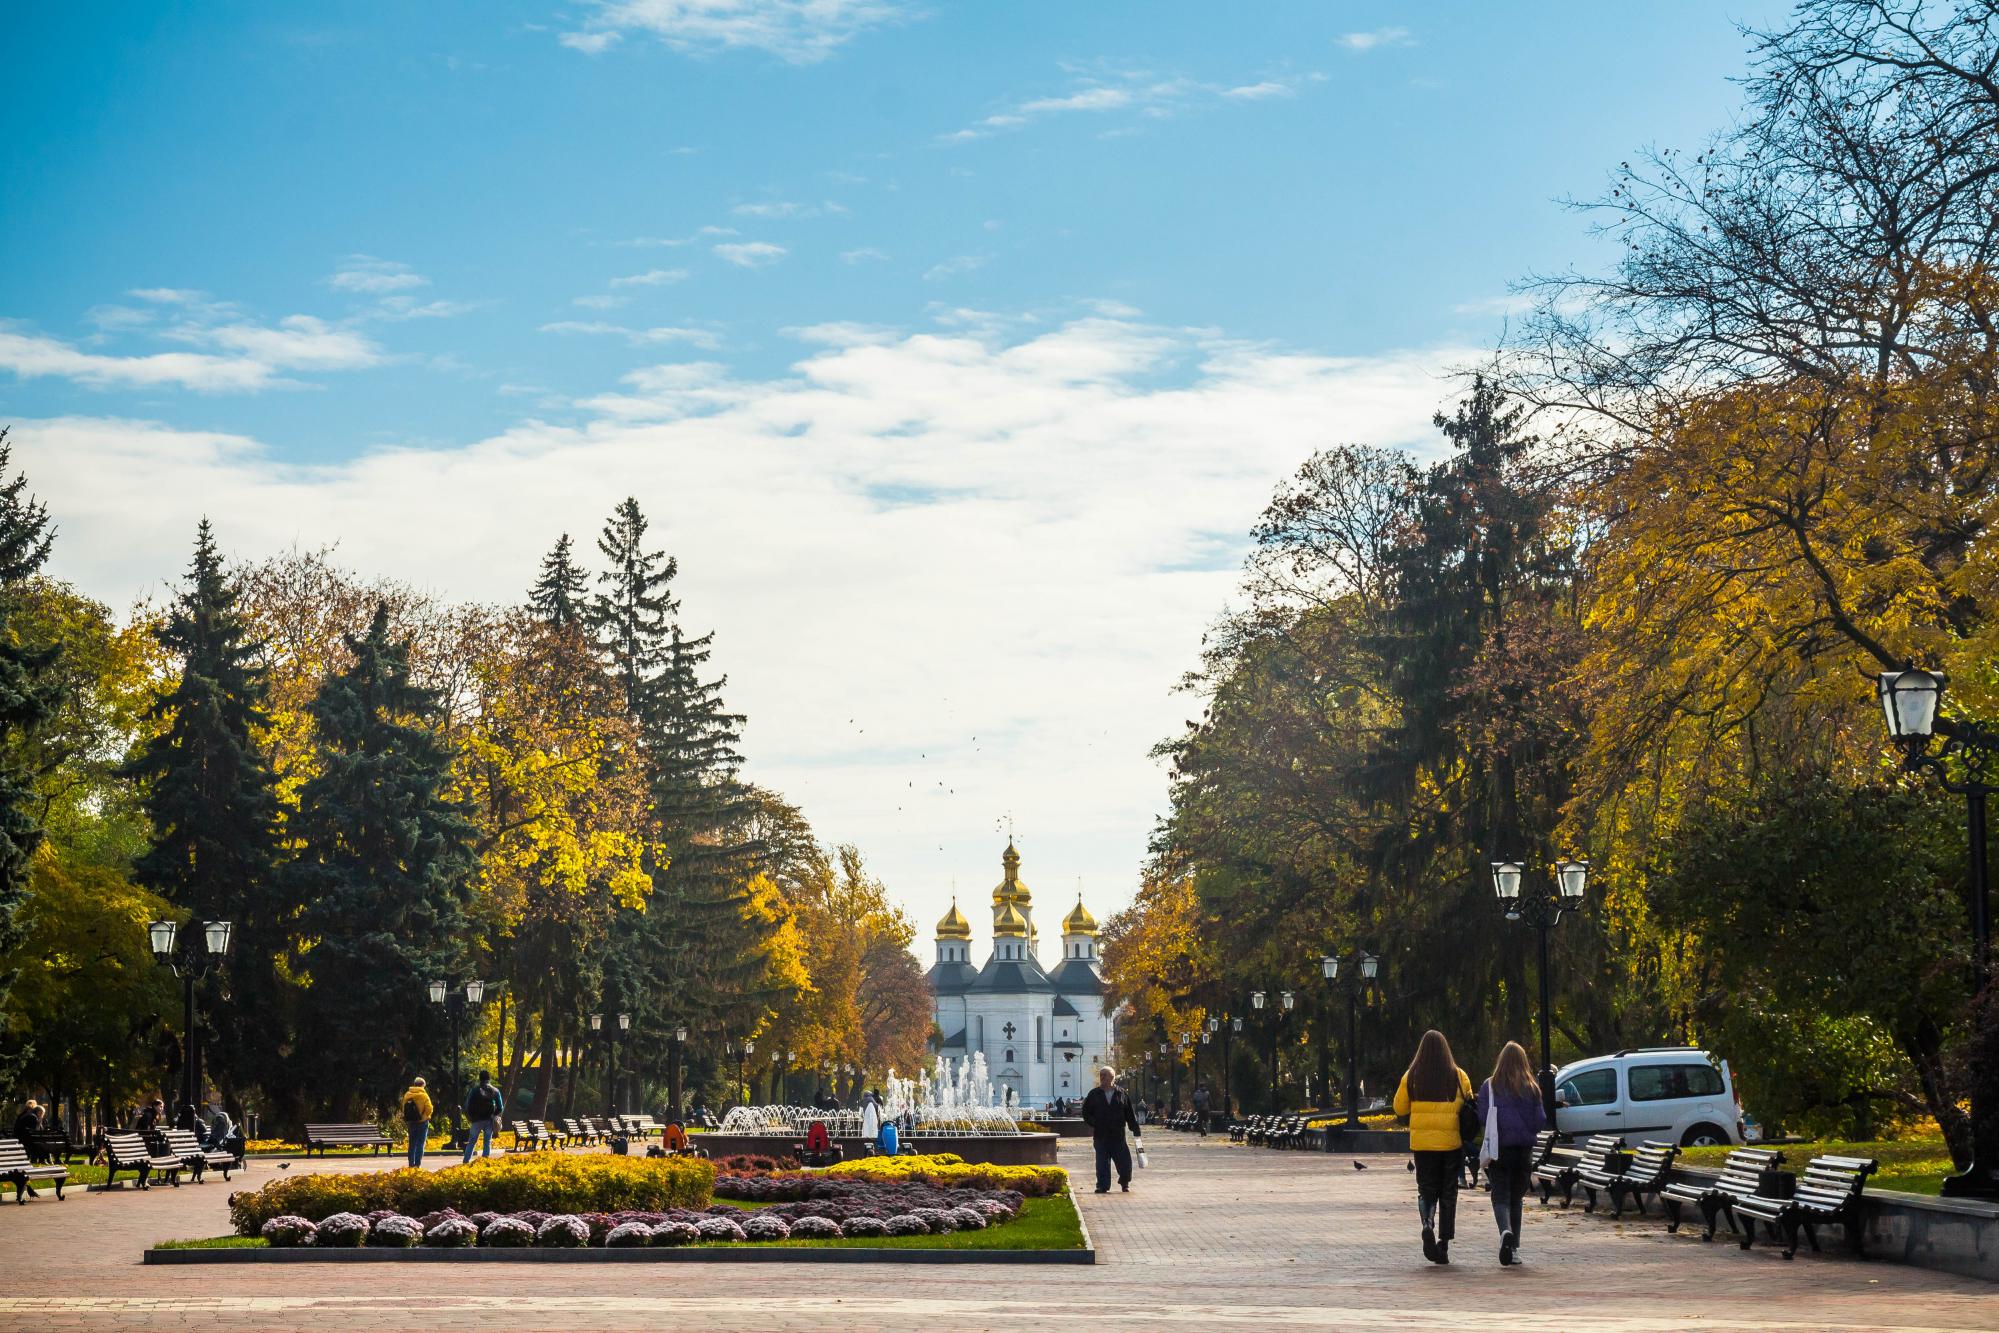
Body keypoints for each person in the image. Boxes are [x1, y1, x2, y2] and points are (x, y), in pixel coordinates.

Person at [1394, 1028, 1474, 1265]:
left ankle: (1427, 1223)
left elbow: (1399, 1108)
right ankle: (1443, 1244)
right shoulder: (1458, 1075)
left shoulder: (1412, 1076)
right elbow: (1470, 1102)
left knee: (1426, 1189)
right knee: (1449, 1193)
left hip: (1423, 1145)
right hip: (1451, 1143)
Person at [1475, 1041, 1549, 1266]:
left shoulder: (1490, 1086)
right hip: (1523, 1150)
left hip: (1499, 1149)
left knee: (1500, 1195)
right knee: (1516, 1198)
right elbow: (1540, 1121)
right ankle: (1514, 1248)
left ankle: (1505, 1231)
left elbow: (1482, 1117)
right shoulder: (1532, 1088)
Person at [1081, 1065, 1142, 1195]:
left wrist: (1135, 1128)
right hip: (1101, 1134)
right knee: (1102, 1163)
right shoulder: (1094, 1094)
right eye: (1101, 1075)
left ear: (1112, 1077)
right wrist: (1094, 1123)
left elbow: (1129, 1113)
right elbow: (1086, 1112)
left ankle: (1124, 1183)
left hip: (1118, 1135)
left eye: (1105, 1075)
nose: (1102, 1077)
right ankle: (1102, 1186)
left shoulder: (1121, 1093)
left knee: (1124, 1162)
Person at [462, 1070, 503, 1162]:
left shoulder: (474, 1090)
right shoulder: (495, 1091)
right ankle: (484, 1160)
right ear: (489, 1078)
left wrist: (471, 1117)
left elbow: (467, 1105)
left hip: (476, 1119)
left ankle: (466, 1161)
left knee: (472, 1141)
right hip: (489, 1119)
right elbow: (500, 1107)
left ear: (480, 1078)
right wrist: (494, 1114)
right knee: (487, 1141)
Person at [400, 1077, 434, 1168]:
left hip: (411, 1122)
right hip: (422, 1122)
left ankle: (411, 1164)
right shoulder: (424, 1095)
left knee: (412, 1144)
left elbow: (404, 1107)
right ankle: (417, 1164)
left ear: (415, 1084)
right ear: (423, 1085)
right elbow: (429, 1108)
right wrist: (425, 1116)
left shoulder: (407, 1094)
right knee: (420, 1143)